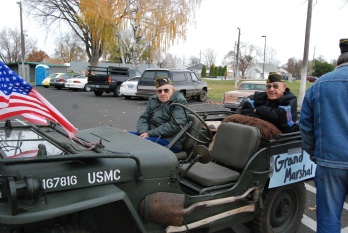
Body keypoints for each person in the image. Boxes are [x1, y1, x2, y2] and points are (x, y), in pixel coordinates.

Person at [300, 38, 348, 233]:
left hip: (329, 162)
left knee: (328, 220)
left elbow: (305, 125)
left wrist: (316, 154)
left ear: (339, 60)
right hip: (329, 160)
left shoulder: (320, 84)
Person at [136, 76, 189, 153]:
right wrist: (143, 132)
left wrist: (149, 133)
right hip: (150, 135)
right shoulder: (153, 99)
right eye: (159, 91)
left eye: (166, 90)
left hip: (170, 140)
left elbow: (176, 125)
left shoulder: (179, 101)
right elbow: (143, 118)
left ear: (173, 90)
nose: (162, 93)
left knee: (138, 144)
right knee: (127, 137)